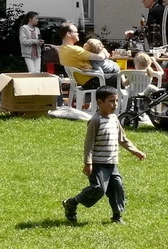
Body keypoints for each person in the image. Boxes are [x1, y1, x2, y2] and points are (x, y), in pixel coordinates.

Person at [61, 86, 146, 224]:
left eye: (116, 100)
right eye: (111, 101)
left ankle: (117, 216)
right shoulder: (95, 120)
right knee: (98, 189)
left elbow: (122, 139)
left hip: (112, 163)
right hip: (98, 164)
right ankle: (71, 203)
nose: (115, 104)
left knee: (117, 187)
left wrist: (136, 151)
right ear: (100, 103)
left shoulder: (114, 118)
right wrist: (88, 163)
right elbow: (89, 143)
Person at [57, 22, 111, 88]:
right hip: (93, 80)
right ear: (68, 34)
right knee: (120, 77)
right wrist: (104, 50)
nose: (78, 34)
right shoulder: (75, 50)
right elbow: (100, 57)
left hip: (82, 82)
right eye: (75, 32)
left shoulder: (62, 48)